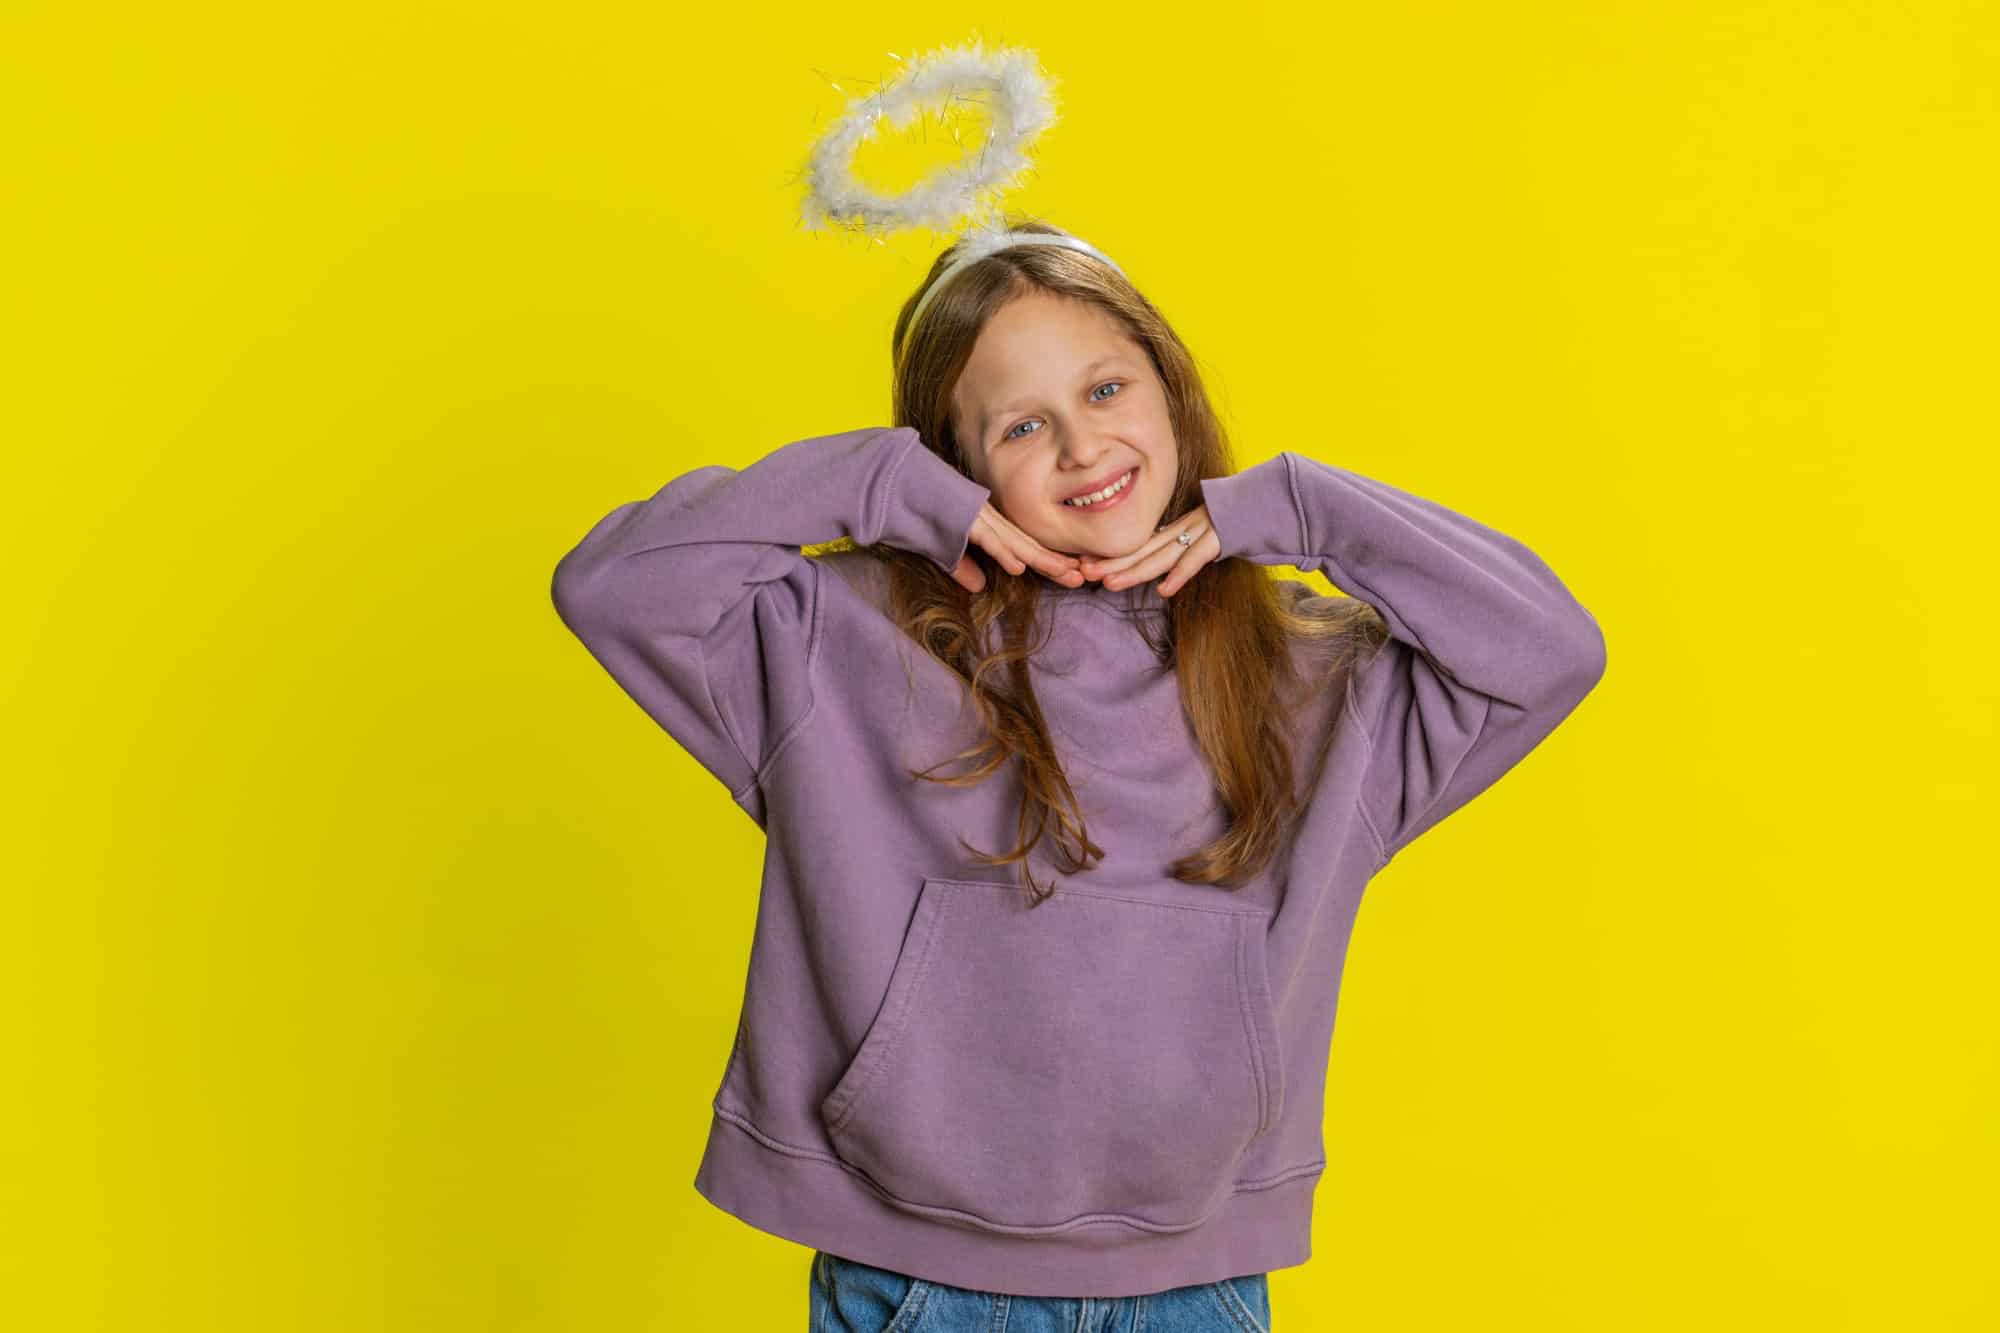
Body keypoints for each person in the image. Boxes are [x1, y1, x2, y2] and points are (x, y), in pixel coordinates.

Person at [550, 215, 1607, 1329]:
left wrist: (1300, 508)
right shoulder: (836, 641)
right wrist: (872, 484)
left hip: (1192, 1283)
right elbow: (612, 587)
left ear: (1171, 391)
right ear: (952, 468)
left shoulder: (1310, 676)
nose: (1079, 447)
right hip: (918, 1276)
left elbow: (1549, 648)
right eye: (1018, 424)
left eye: (1106, 390)